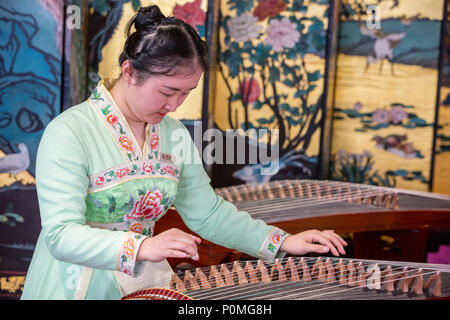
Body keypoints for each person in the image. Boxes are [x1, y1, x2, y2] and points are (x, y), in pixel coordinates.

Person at [21, 5, 346, 300]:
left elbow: (208, 213)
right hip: (76, 285)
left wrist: (282, 241)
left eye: (185, 94)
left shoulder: (172, 134)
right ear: (130, 71)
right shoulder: (70, 132)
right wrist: (143, 245)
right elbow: (61, 235)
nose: (175, 105)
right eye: (167, 91)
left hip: (145, 282)